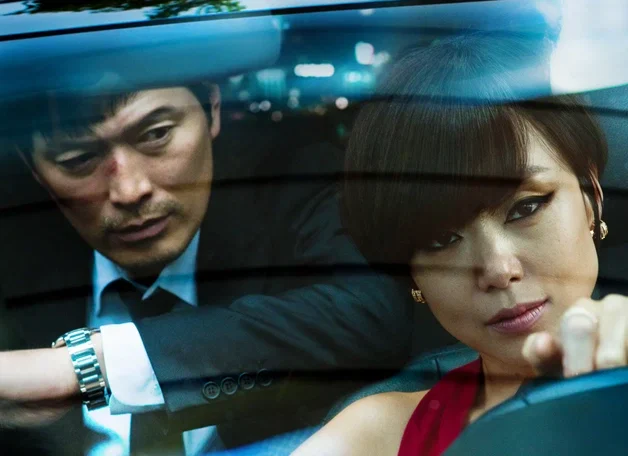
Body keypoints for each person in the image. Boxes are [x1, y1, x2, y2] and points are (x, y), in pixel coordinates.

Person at [0, 81, 413, 455]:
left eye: (157, 135)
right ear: (32, 166)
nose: (130, 190)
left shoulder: (288, 175)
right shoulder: (13, 238)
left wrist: (86, 366)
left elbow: (371, 313)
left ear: (212, 109)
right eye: (78, 158)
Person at [293, 33, 628, 456]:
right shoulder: (377, 434)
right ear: (412, 273)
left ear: (591, 194)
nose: (498, 269)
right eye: (441, 240)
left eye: (526, 208)